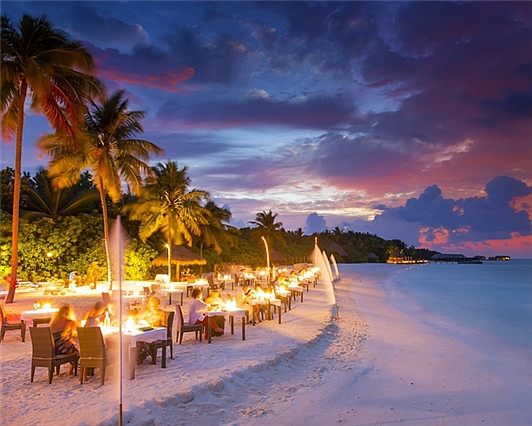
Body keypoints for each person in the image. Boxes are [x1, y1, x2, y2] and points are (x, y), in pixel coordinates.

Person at [50, 304, 79, 374]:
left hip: (52, 349)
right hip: (61, 349)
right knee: (77, 351)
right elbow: (80, 329)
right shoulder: (69, 322)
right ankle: (71, 370)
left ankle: (71, 370)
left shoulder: (53, 322)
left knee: (70, 345)